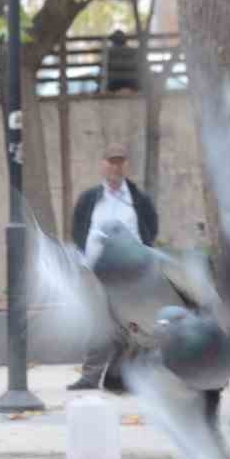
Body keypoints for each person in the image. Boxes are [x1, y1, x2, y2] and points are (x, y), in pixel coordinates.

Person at [68, 144, 159, 391]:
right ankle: (90, 376)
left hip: (132, 272)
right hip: (96, 272)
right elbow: (77, 228)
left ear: (126, 166)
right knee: (99, 324)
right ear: (103, 165)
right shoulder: (90, 199)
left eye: (120, 162)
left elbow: (151, 228)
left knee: (132, 326)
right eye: (111, 162)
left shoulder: (138, 200)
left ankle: (127, 376)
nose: (116, 167)